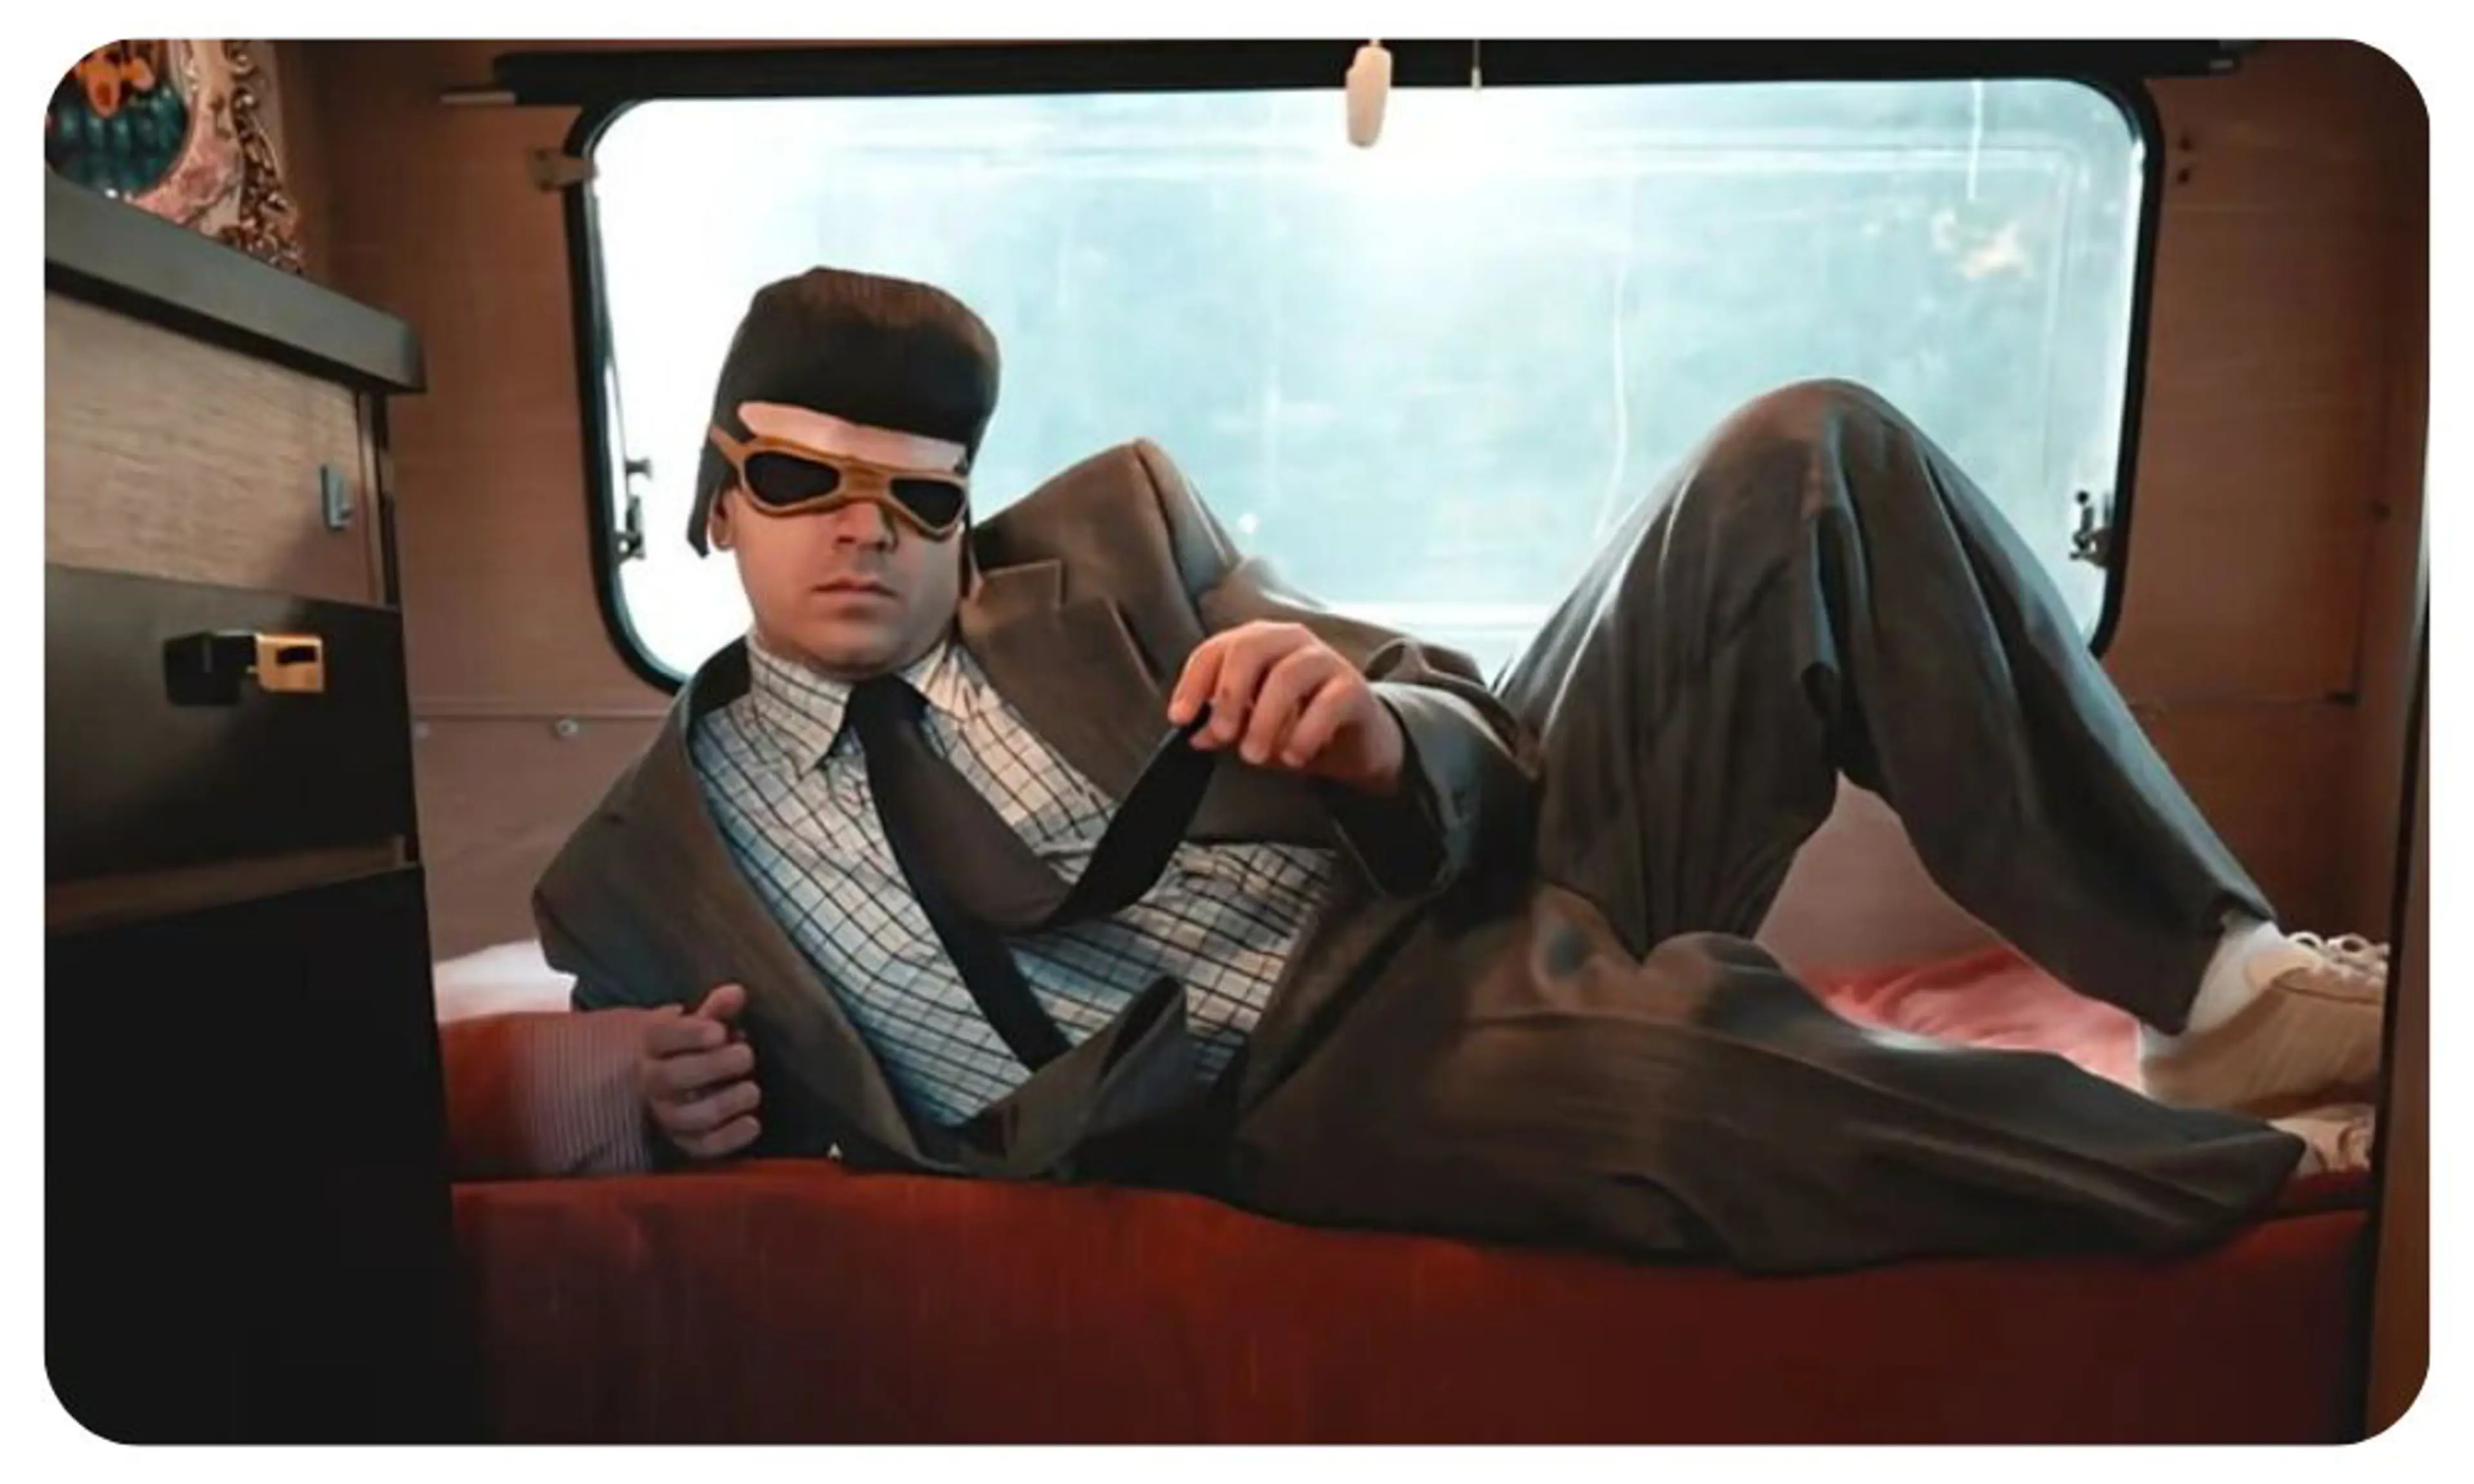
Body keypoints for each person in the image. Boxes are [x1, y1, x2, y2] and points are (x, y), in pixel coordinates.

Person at [534, 266, 2383, 1273]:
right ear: (715, 499)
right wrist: (670, 1101)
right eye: (801, 481)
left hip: (1462, 858)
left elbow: (1462, 706)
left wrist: (1372, 731)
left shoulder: (1112, 537)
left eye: (918, 496)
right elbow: (598, 1095)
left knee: (1806, 450)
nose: (864, 530)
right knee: (1682, 1078)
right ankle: (2233, 1168)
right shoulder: (632, 877)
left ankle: (2215, 988)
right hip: (1311, 1060)